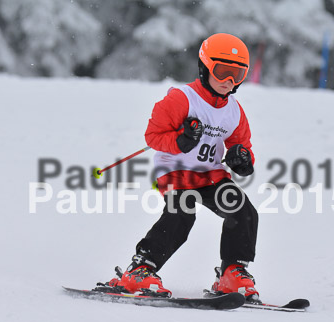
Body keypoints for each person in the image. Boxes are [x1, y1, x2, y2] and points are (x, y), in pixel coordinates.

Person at [101, 33, 260, 302]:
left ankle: (232, 272)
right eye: (222, 72)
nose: (228, 82)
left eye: (237, 74)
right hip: (176, 172)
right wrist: (180, 140)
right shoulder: (181, 99)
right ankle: (140, 270)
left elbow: (242, 147)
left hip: (211, 176)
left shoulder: (234, 111)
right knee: (182, 215)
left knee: (243, 211)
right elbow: (153, 137)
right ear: (205, 67)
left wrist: (242, 160)